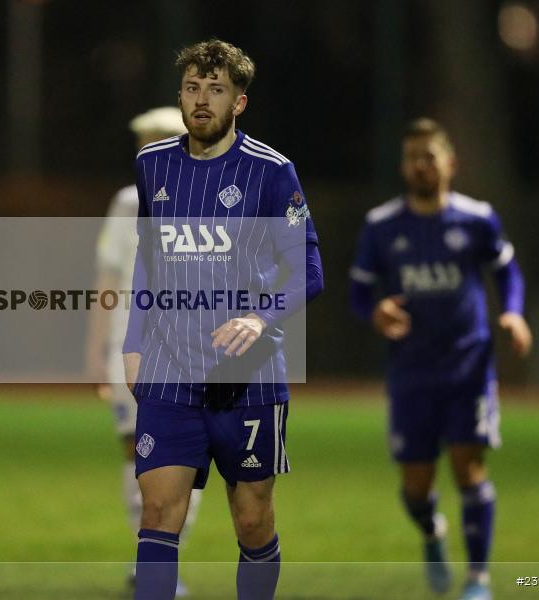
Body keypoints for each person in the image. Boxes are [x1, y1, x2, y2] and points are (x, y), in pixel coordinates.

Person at [122, 39, 324, 600]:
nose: (201, 101)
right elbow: (149, 258)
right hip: (169, 369)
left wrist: (260, 319)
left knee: (252, 520)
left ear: (240, 102)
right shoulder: (151, 165)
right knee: (159, 510)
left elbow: (308, 268)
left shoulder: (272, 172)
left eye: (216, 90)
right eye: (192, 88)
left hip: (250, 377)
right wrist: (134, 341)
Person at [349, 118, 531, 600]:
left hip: (468, 364)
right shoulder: (382, 225)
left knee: (468, 467)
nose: (420, 166)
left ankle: (478, 579)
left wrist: (512, 314)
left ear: (450, 162)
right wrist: (377, 310)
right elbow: (359, 292)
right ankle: (431, 531)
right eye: (412, 158)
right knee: (415, 486)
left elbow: (507, 271)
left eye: (429, 156)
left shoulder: (476, 219)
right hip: (411, 370)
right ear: (403, 166)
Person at [85, 106, 200, 596]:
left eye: (157, 141)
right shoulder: (127, 203)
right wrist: (95, 349)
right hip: (128, 348)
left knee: (187, 462)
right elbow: (108, 278)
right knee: (138, 453)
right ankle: (149, 562)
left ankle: (162, 557)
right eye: (143, 143)